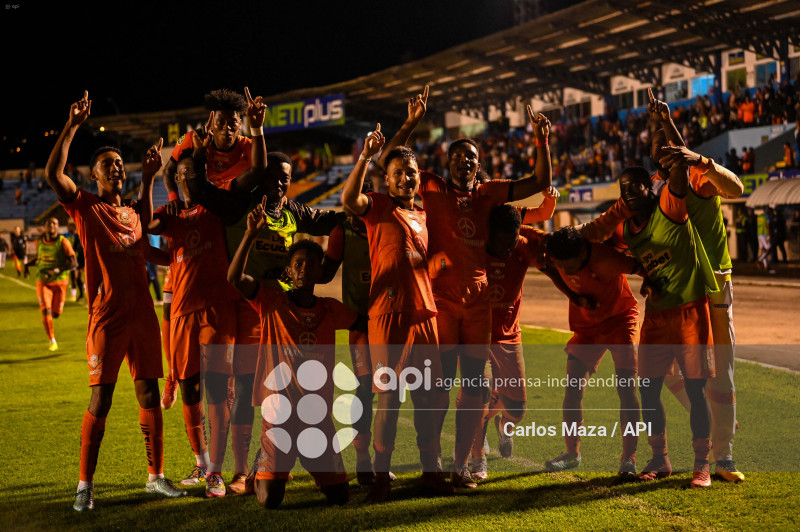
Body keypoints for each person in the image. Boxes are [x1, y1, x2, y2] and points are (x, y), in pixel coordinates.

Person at [378, 87, 553, 489]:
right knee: (439, 389)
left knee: (474, 386)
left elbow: (540, 180)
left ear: (479, 165)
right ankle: (433, 463)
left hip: (478, 303)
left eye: (470, 158)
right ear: (447, 164)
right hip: (440, 302)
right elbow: (391, 162)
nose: (463, 163)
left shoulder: (490, 192)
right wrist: (410, 123)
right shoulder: (431, 187)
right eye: (457, 158)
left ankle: (462, 465)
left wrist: (541, 140)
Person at [45, 91, 186, 511]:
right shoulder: (85, 208)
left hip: (142, 317)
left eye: (119, 164)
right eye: (109, 166)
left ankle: (155, 477)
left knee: (148, 395)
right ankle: (84, 485)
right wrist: (71, 125)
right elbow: (55, 174)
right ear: (94, 177)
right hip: (106, 320)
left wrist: (146, 177)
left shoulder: (134, 215)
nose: (116, 168)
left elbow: (149, 243)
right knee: (100, 399)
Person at [341, 125, 453, 502]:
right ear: (387, 181)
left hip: (425, 314)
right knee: (390, 397)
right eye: (399, 173)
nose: (407, 177)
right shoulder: (377, 206)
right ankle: (382, 476)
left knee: (429, 398)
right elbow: (348, 199)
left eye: (412, 171)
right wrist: (365, 156)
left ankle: (431, 472)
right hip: (388, 313)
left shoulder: (424, 214)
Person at [228, 208, 361, 509]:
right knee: (269, 501)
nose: (304, 269)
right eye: (298, 263)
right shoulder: (271, 302)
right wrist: (250, 234)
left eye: (311, 265)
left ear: (319, 273)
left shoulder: (331, 308)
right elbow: (234, 277)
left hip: (317, 420)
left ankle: (315, 467)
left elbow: (365, 323)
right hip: (280, 417)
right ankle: (260, 469)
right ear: (288, 271)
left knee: (340, 497)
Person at [149, 151, 241, 497]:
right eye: (184, 172)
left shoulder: (217, 207)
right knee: (189, 387)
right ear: (176, 179)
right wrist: (147, 182)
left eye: (196, 171)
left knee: (217, 389)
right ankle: (201, 463)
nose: (190, 177)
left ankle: (216, 472)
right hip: (184, 313)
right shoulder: (169, 215)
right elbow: (146, 233)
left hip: (218, 309)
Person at [469, 202, 567, 480]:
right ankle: (477, 458)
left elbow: (548, 267)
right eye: (502, 243)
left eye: (511, 242)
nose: (507, 248)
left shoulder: (522, 245)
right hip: (477, 334)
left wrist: (574, 295)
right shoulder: (475, 245)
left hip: (509, 337)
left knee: (518, 409)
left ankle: (502, 426)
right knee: (481, 392)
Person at [544, 226, 642, 479]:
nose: (565, 271)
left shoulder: (607, 258)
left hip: (621, 320)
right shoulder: (553, 250)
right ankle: (572, 454)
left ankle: (628, 459)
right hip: (588, 327)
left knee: (627, 388)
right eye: (559, 264)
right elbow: (547, 262)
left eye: (568, 265)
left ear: (580, 255)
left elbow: (643, 268)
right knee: (573, 387)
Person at [319, 181, 383, 486]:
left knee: (395, 392)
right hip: (361, 324)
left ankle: (383, 460)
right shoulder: (341, 231)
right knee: (365, 390)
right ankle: (363, 461)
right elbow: (325, 273)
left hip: (393, 322)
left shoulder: (385, 221)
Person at [162, 88, 265, 206]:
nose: (227, 127)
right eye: (221, 122)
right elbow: (169, 170)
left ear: (240, 124)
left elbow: (262, 171)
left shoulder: (248, 145)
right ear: (211, 124)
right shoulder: (193, 139)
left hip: (231, 207)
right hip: (200, 205)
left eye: (232, 122)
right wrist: (174, 198)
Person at [23, 217, 77, 351]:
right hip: (43, 281)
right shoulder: (40, 242)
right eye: (49, 223)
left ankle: (53, 316)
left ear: (58, 227)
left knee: (56, 313)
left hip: (60, 283)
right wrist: (27, 265)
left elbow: (73, 262)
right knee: (45, 310)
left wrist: (56, 270)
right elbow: (40, 259)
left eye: (55, 223)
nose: (52, 225)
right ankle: (52, 340)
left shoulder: (63, 242)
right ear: (46, 227)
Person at [64, 221, 86, 301]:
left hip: (79, 259)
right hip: (76, 259)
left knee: (76, 277)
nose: (68, 228)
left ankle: (81, 292)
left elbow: (77, 248)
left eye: (70, 226)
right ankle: (81, 292)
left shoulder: (79, 236)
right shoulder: (71, 236)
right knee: (76, 277)